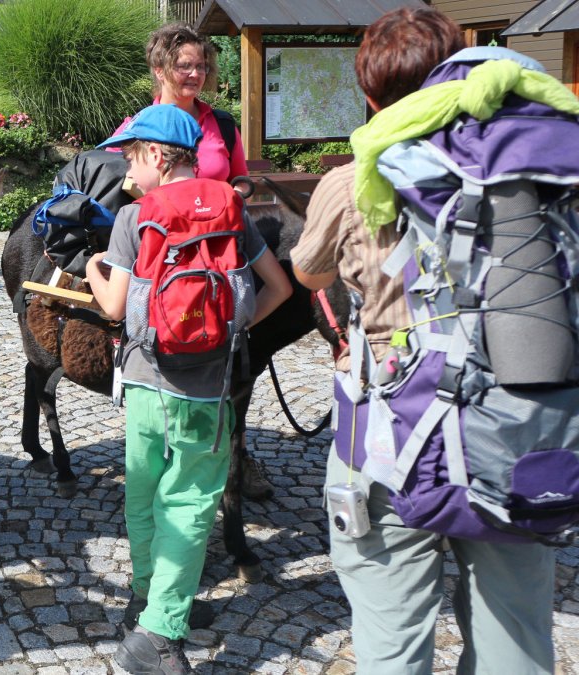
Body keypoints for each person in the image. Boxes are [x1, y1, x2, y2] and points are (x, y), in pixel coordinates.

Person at [291, 7, 557, 673]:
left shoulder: (353, 179)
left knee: (391, 635)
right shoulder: (533, 175)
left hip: (390, 434)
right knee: (516, 638)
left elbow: (308, 269)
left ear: (371, 94)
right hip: (516, 429)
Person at [85, 104, 291, 675]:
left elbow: (111, 307)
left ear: (157, 155)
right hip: (206, 389)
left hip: (146, 382)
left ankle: (153, 624)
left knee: (146, 490)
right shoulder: (231, 206)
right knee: (192, 501)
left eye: (130, 156)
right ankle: (160, 615)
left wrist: (96, 270)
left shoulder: (134, 217)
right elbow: (276, 288)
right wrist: (226, 331)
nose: (126, 170)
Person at [108, 23, 248, 185]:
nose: (195, 74)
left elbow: (242, 181)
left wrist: (231, 201)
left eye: (200, 66)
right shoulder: (134, 130)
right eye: (184, 66)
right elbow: (108, 181)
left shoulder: (223, 125)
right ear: (159, 70)